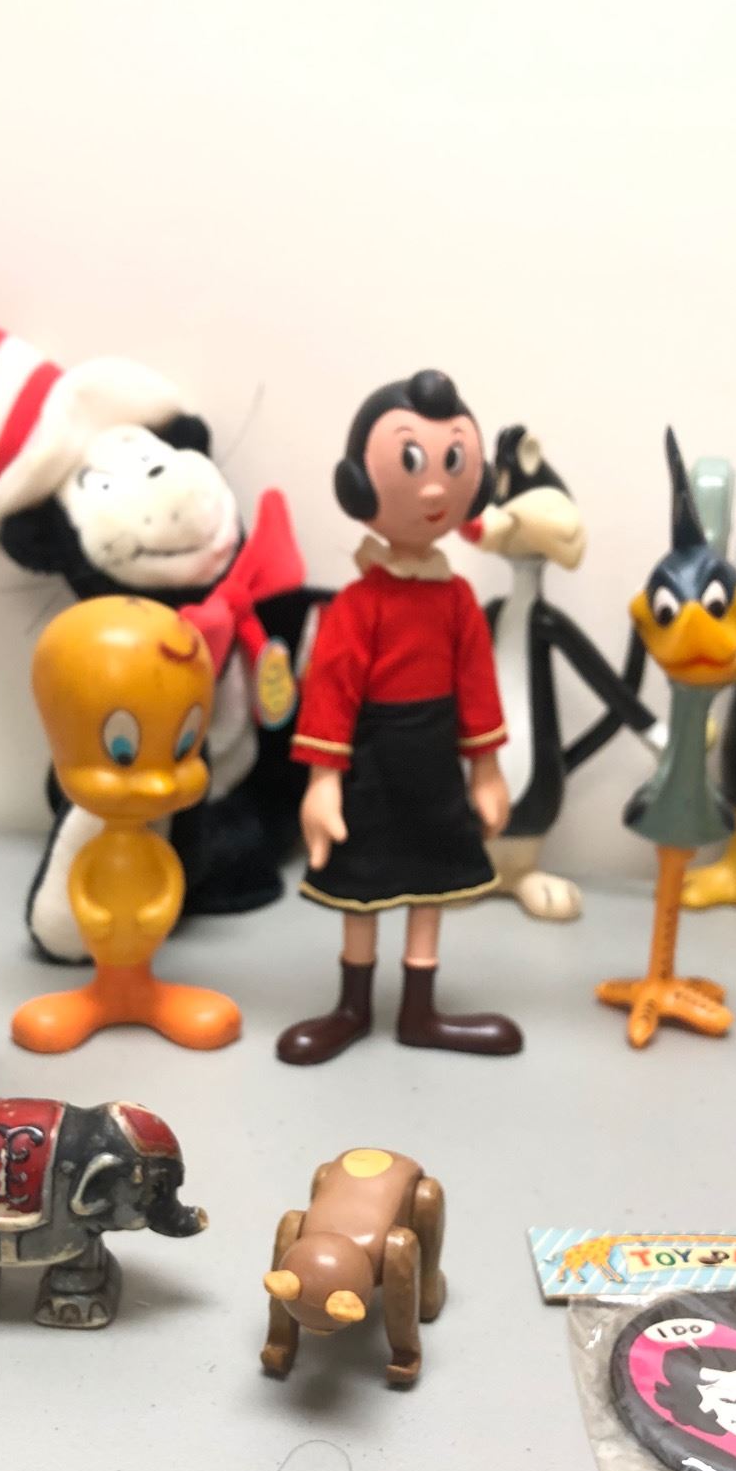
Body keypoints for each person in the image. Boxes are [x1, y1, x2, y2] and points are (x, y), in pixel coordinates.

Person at [276, 369, 522, 1065]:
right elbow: (332, 690)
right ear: (361, 484)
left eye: (453, 461)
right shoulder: (359, 604)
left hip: (436, 762)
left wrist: (487, 772)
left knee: (432, 881)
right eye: (413, 460)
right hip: (374, 762)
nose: (436, 488)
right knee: (363, 885)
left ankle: (419, 1011)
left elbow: (477, 688)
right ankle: (352, 1006)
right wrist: (323, 781)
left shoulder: (459, 600)